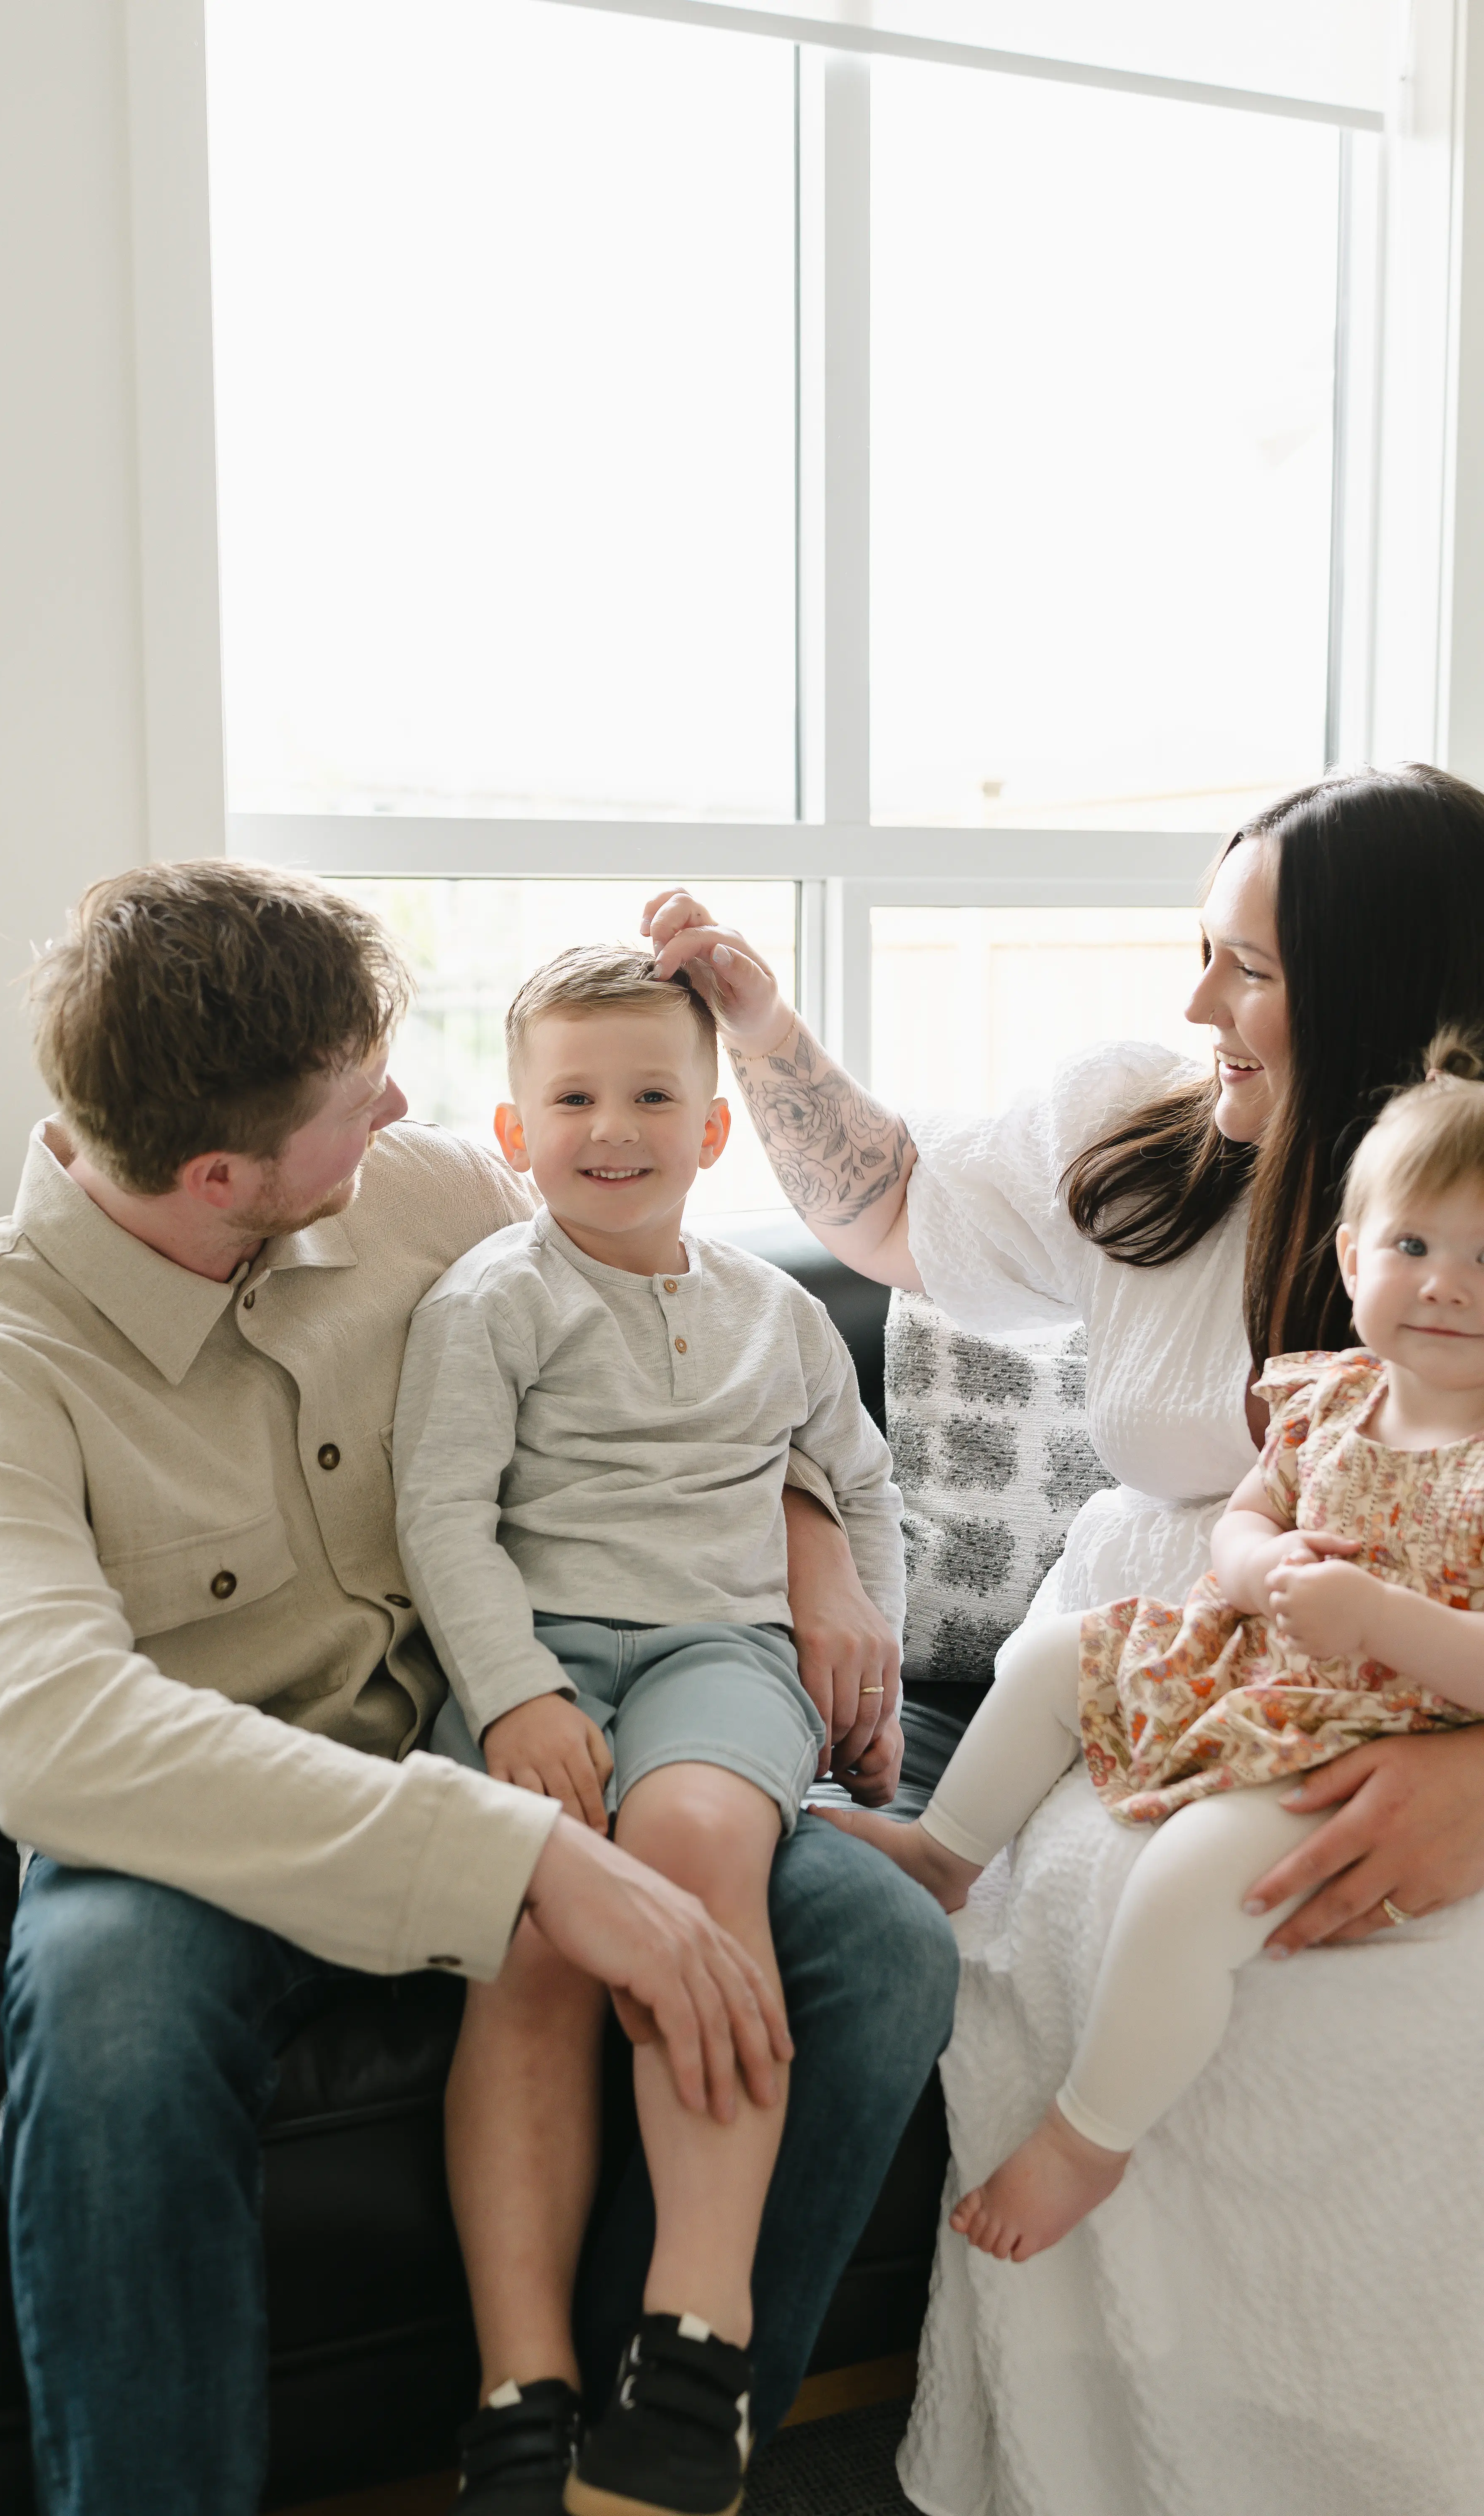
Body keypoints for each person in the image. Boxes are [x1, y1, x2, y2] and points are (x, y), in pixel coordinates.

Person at [0, 862, 957, 2516]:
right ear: (224, 1172)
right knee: (114, 2011)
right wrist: (528, 1861)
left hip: (548, 1740)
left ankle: (633, 2450)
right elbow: (49, 1742)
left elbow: (689, 1342)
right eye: (356, 1095)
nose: (397, 1100)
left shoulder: (422, 1189)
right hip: (213, 1835)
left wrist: (814, 1536)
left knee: (878, 1947)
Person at [645, 765, 1484, 2515]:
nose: (1196, 1007)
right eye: (1201, 953)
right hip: (1178, 1654)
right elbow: (891, 1224)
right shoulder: (1148, 1134)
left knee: (1391, 2010)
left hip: (1434, 1683)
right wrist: (761, 1025)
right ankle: (1116, 2454)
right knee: (1129, 1926)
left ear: (1398, 985)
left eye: (1245, 967)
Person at [392, 945, 905, 2516]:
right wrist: (517, 1695)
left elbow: (862, 1481)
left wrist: (864, 1652)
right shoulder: (492, 1300)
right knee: (543, 1921)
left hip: (721, 1652)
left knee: (684, 1851)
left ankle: (697, 2347)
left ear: (714, 1131)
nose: (611, 1127)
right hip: (537, 1652)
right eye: (572, 1097)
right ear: (511, 1129)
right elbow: (442, 1517)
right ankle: (520, 2392)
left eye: (653, 1096)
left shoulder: (779, 1313)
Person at [866, 1040, 1484, 2266]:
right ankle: (944, 1853)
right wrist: (1255, 1566)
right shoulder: (1327, 1396)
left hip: (1376, 1731)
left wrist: (1377, 1621)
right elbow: (1257, 1508)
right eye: (1413, 1248)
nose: (1446, 1288)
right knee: (1051, 1663)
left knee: (1194, 1882)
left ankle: (1092, 2136)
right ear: (1354, 1258)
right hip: (1254, 1661)